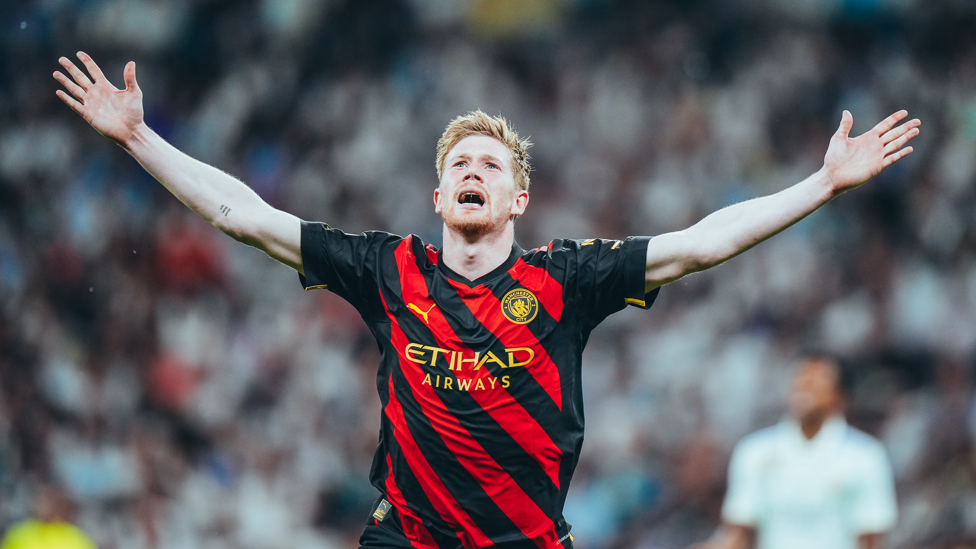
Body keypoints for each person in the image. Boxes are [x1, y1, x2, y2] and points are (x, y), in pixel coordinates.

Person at [52, 52, 919, 549]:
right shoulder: (386, 271)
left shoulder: (567, 279)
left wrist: (821, 185)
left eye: (490, 166)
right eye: (457, 165)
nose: (472, 172)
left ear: (517, 201)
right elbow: (245, 215)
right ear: (437, 198)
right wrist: (140, 138)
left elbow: (703, 243)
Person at [690, 357, 898, 549]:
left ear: (840, 397)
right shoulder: (755, 450)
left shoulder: (866, 457)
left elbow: (870, 539)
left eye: (816, 384)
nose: (805, 389)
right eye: (801, 382)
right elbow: (740, 531)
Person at [0, 484, 98, 549]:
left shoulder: (77, 537)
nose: (45, 505)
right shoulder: (18, 533)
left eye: (50, 501)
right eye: (42, 500)